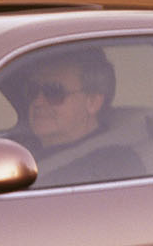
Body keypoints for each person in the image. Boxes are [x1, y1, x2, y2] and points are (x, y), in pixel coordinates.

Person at [9, 46, 143, 186]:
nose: (38, 101)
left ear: (92, 102)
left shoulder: (115, 164)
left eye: (54, 91)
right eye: (33, 90)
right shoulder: (20, 147)